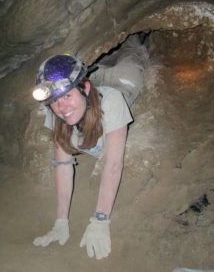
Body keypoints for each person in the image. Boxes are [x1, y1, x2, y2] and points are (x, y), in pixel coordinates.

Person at [32, 35, 146, 260]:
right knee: (102, 66)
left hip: (123, 81)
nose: (61, 107)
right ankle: (105, 60)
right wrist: (60, 221)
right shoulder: (57, 112)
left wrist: (100, 219)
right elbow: (63, 165)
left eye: (66, 96)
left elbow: (113, 165)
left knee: (131, 57)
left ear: (84, 88)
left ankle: (132, 40)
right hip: (92, 82)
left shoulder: (111, 101)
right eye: (54, 101)